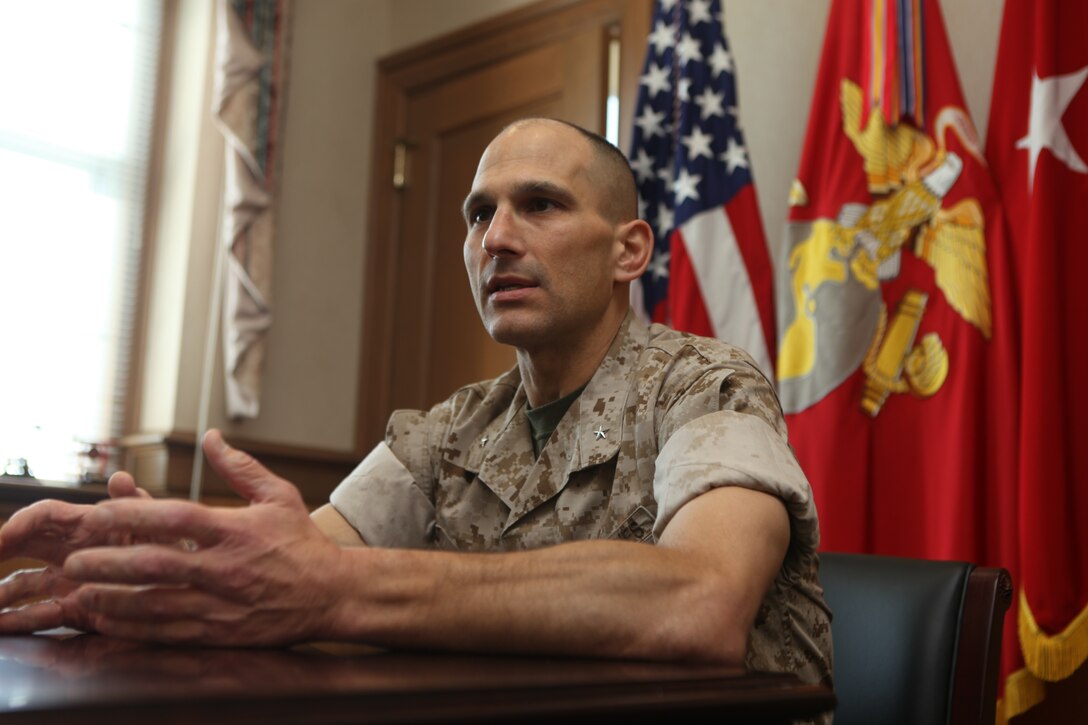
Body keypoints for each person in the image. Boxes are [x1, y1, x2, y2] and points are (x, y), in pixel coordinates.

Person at [0, 119, 831, 689]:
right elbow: (295, 559)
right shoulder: (449, 429)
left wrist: (339, 590)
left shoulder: (708, 385)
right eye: (479, 214)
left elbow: (701, 602)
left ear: (629, 249)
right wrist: (161, 569)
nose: (495, 238)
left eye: (539, 205)